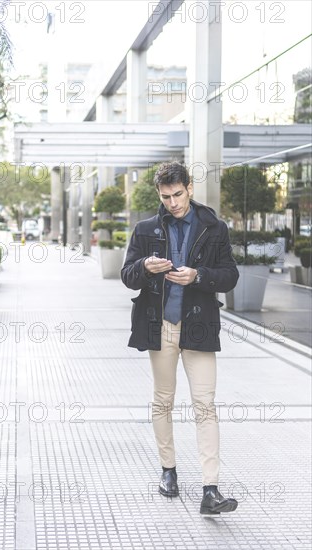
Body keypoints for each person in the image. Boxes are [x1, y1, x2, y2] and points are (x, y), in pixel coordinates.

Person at [121, 161, 239, 515]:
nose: (172, 202)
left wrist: (199, 276)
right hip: (161, 325)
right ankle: (168, 471)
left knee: (205, 404)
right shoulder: (145, 229)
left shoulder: (213, 227)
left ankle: (210, 489)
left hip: (199, 325)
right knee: (164, 400)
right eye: (165, 196)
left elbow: (230, 275)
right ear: (159, 194)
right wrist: (144, 268)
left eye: (177, 194)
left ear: (189, 187)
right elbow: (127, 275)